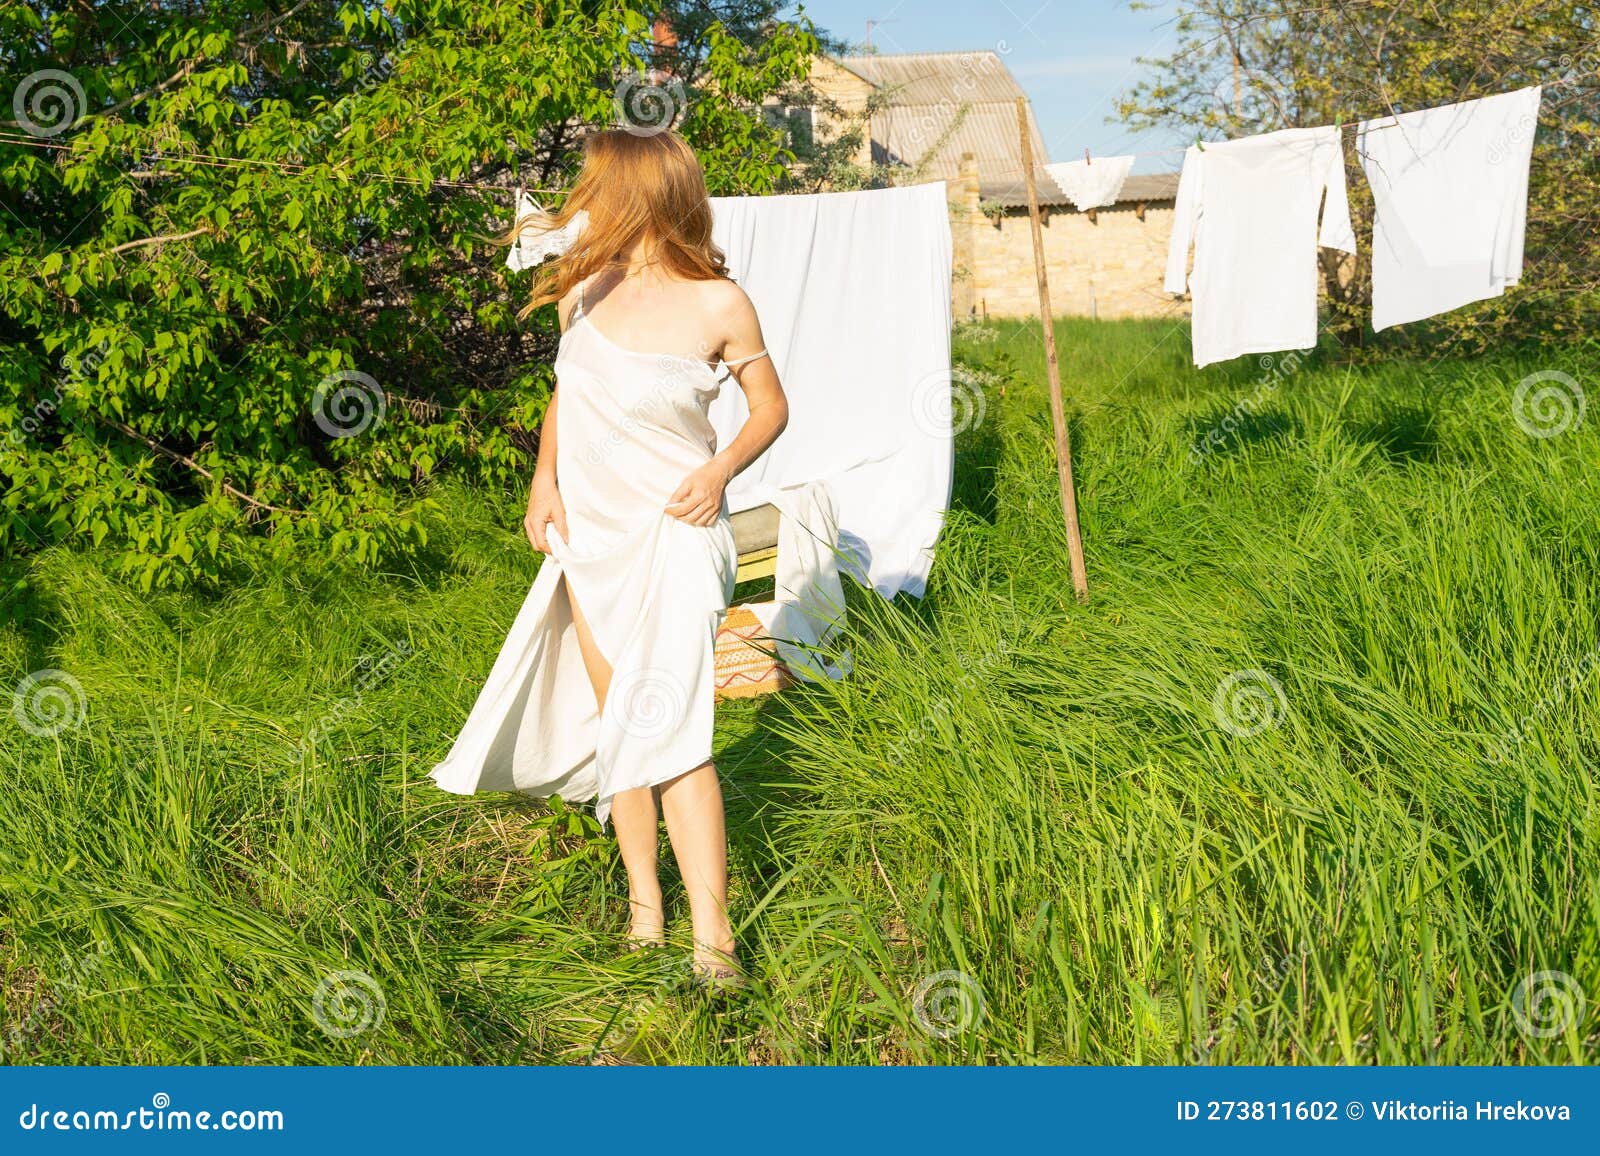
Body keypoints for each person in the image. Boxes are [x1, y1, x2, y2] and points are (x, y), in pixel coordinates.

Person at [430, 129, 788, 988]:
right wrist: (542, 483)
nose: (581, 197)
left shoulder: (720, 304)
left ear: (640, 193)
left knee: (674, 729)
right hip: (591, 533)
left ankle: (716, 941)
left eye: (596, 183)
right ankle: (644, 913)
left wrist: (720, 469)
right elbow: (568, 391)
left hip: (676, 530)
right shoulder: (580, 290)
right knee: (623, 726)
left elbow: (771, 408)